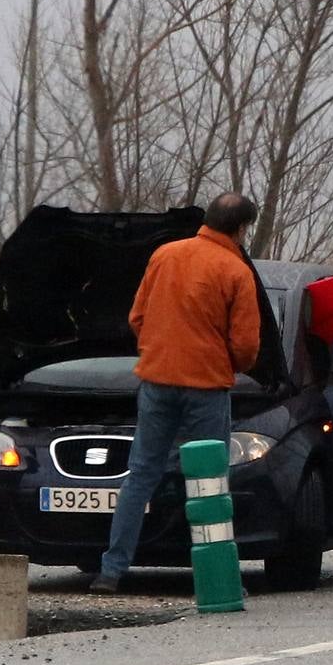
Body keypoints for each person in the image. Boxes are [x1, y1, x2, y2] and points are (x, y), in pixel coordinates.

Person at [90, 193, 261, 594]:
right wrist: (228, 362)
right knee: (209, 481)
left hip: (156, 381)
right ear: (239, 228)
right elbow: (247, 346)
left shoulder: (165, 255)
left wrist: (160, 350)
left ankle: (111, 571)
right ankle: (213, 574)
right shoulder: (236, 271)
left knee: (140, 475)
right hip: (206, 386)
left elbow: (137, 317)